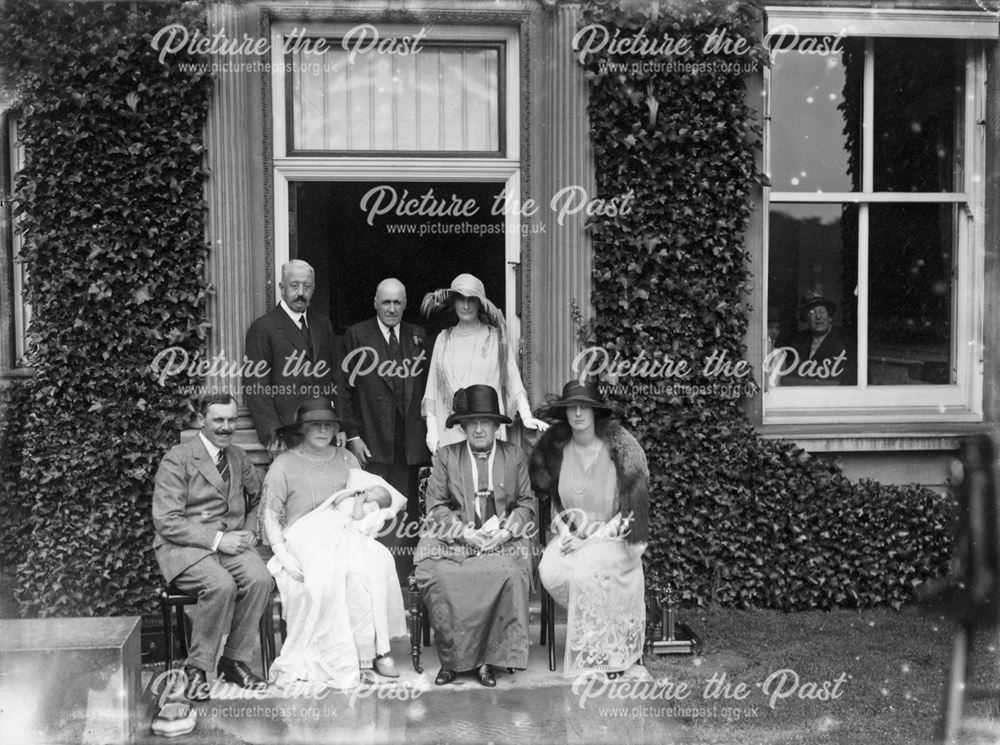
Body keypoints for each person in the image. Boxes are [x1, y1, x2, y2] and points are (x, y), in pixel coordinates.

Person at [260, 396, 408, 689]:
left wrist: (367, 520)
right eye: (315, 424)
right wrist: (280, 551)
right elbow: (269, 514)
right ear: (302, 428)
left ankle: (369, 653)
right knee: (325, 578)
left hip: (343, 532)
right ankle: (333, 656)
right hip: (302, 538)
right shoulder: (284, 463)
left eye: (328, 424)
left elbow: (365, 499)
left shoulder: (347, 459)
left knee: (369, 567)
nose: (323, 430)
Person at [152, 393, 273, 701]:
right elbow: (167, 521)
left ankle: (233, 660)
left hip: (231, 544)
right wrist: (219, 540)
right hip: (185, 547)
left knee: (261, 579)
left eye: (232, 420)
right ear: (201, 420)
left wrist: (248, 531)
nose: (226, 427)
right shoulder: (177, 458)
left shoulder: (238, 457)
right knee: (221, 585)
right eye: (218, 420)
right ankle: (196, 668)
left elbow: (259, 500)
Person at [414, 384, 536, 688]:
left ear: (496, 426)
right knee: (439, 575)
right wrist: (462, 532)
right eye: (472, 422)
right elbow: (436, 505)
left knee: (507, 573)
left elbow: (526, 502)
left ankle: (487, 661)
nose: (479, 428)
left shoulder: (514, 455)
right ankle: (452, 660)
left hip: (501, 541)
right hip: (455, 540)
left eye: (485, 422)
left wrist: (507, 532)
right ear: (463, 426)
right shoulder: (446, 456)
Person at [529, 380, 649, 678]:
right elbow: (554, 504)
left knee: (586, 569)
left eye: (585, 407)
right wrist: (565, 532)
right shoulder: (558, 449)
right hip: (573, 534)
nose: (578, 413)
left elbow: (629, 515)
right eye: (572, 407)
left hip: (614, 536)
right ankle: (597, 628)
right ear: (565, 412)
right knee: (550, 570)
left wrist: (588, 542)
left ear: (596, 413)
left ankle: (607, 652)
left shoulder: (618, 451)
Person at [342, 278, 431, 574]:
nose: (391, 309)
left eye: (397, 303)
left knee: (405, 509)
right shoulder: (356, 335)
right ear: (375, 303)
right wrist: (353, 435)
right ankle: (374, 574)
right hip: (372, 437)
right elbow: (344, 390)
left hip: (409, 439)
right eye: (386, 302)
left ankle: (404, 575)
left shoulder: (417, 336)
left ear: (405, 305)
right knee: (374, 507)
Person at [420, 273, 548, 453]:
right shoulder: (443, 340)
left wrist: (527, 417)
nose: (465, 306)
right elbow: (432, 391)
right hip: (450, 433)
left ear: (480, 303)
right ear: (453, 302)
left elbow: (513, 381)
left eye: (471, 300)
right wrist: (431, 431)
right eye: (461, 299)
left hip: (487, 431)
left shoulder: (496, 338)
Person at [244, 260, 343, 449]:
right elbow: (257, 388)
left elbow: (337, 377)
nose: (300, 293)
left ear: (313, 289)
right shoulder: (263, 328)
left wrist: (341, 424)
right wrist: (273, 433)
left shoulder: (323, 325)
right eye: (294, 285)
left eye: (306, 286)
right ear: (282, 288)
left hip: (325, 431)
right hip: (288, 434)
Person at [785, 291, 856, 386]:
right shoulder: (797, 340)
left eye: (821, 311)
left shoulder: (844, 342)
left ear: (830, 317)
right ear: (806, 319)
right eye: (812, 313)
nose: (818, 317)